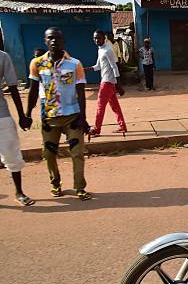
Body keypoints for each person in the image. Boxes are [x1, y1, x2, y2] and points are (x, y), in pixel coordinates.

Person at [25, 27, 92, 200]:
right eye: (50, 38)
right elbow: (33, 91)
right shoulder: (37, 63)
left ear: (63, 42)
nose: (54, 41)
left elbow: (81, 92)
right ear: (45, 41)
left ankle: (79, 187)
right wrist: (27, 114)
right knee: (48, 154)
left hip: (73, 116)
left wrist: (83, 118)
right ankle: (55, 183)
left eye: (57, 38)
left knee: (77, 153)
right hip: (49, 118)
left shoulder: (75, 64)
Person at [0, 50, 35, 206]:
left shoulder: (3, 57)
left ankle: (19, 192)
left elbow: (13, 88)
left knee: (12, 153)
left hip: (1, 114)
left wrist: (22, 116)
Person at [85, 29, 127, 136]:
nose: (96, 40)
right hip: (108, 82)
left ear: (104, 38)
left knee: (100, 106)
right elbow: (98, 66)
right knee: (115, 106)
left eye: (98, 38)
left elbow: (114, 67)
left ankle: (97, 129)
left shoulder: (108, 50)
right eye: (94, 38)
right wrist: (85, 69)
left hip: (107, 83)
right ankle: (122, 126)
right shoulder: (101, 50)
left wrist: (119, 85)